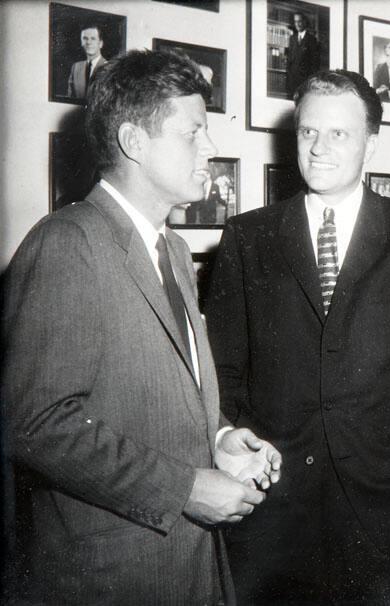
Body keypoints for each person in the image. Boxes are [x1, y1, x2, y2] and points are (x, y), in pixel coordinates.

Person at [1, 49, 282, 604]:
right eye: (193, 133)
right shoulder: (67, 243)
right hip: (113, 578)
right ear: (133, 142)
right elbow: (35, 423)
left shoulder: (173, 248)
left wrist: (220, 438)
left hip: (188, 566)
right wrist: (185, 487)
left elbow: (151, 390)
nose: (210, 148)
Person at [205, 69, 390, 604]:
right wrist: (236, 443)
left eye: (339, 134)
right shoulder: (248, 236)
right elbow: (221, 369)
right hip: (277, 508)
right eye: (307, 132)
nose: (319, 148)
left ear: (371, 143)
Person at [285, 12, 320, 99]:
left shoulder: (312, 40)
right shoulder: (292, 38)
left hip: (304, 81)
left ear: (305, 22)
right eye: (295, 21)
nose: (297, 24)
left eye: (299, 21)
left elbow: (315, 64)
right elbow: (289, 60)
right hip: (292, 81)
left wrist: (309, 82)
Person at [67, 25, 107, 99]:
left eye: (93, 38)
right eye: (85, 38)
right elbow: (70, 99)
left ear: (101, 43)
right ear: (81, 42)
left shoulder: (109, 68)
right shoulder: (76, 67)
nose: (88, 42)